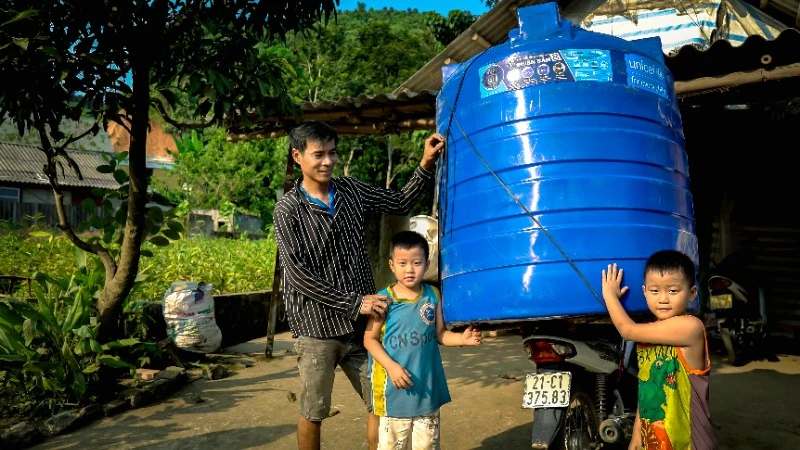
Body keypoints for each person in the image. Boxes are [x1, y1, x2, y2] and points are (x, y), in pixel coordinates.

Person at [273, 120, 444, 450]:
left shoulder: (351, 191)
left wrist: (425, 163)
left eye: (333, 153)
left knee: (380, 401)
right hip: (316, 326)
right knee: (313, 410)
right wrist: (355, 302)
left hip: (361, 328)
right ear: (298, 156)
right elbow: (297, 275)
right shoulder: (288, 209)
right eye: (318, 154)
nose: (328, 162)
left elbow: (399, 203)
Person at [364, 230, 483, 450]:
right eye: (402, 263)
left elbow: (440, 335)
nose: (410, 269)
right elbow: (370, 339)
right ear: (392, 265)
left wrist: (462, 339)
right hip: (394, 393)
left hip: (427, 392)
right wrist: (391, 367)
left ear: (427, 264)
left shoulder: (433, 295)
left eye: (417, 263)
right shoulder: (383, 300)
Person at [601, 250, 717, 450]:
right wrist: (638, 435)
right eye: (655, 291)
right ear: (645, 291)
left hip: (689, 442)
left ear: (692, 293)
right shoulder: (649, 336)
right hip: (656, 441)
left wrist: (610, 296)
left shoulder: (690, 327)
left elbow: (627, 330)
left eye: (673, 291)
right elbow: (648, 389)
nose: (663, 299)